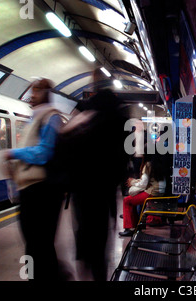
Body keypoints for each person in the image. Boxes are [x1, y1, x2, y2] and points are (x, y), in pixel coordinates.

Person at [49, 86, 128, 280]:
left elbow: (60, 153)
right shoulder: (119, 124)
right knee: (100, 248)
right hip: (103, 196)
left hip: (82, 195)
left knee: (84, 243)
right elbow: (121, 165)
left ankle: (87, 271)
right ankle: (98, 273)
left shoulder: (85, 125)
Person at [2, 78, 64, 280]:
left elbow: (44, 153)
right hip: (31, 189)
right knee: (34, 242)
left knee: (39, 243)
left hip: (43, 190)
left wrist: (15, 153)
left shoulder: (51, 118)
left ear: (44, 93)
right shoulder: (36, 117)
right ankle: (35, 276)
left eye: (35, 91)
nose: (30, 96)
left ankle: (41, 277)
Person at [119, 152, 166, 237]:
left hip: (152, 192)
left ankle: (130, 228)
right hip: (159, 191)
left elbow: (144, 183)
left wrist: (133, 183)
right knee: (133, 200)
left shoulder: (148, 165)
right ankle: (136, 226)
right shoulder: (159, 162)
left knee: (127, 200)